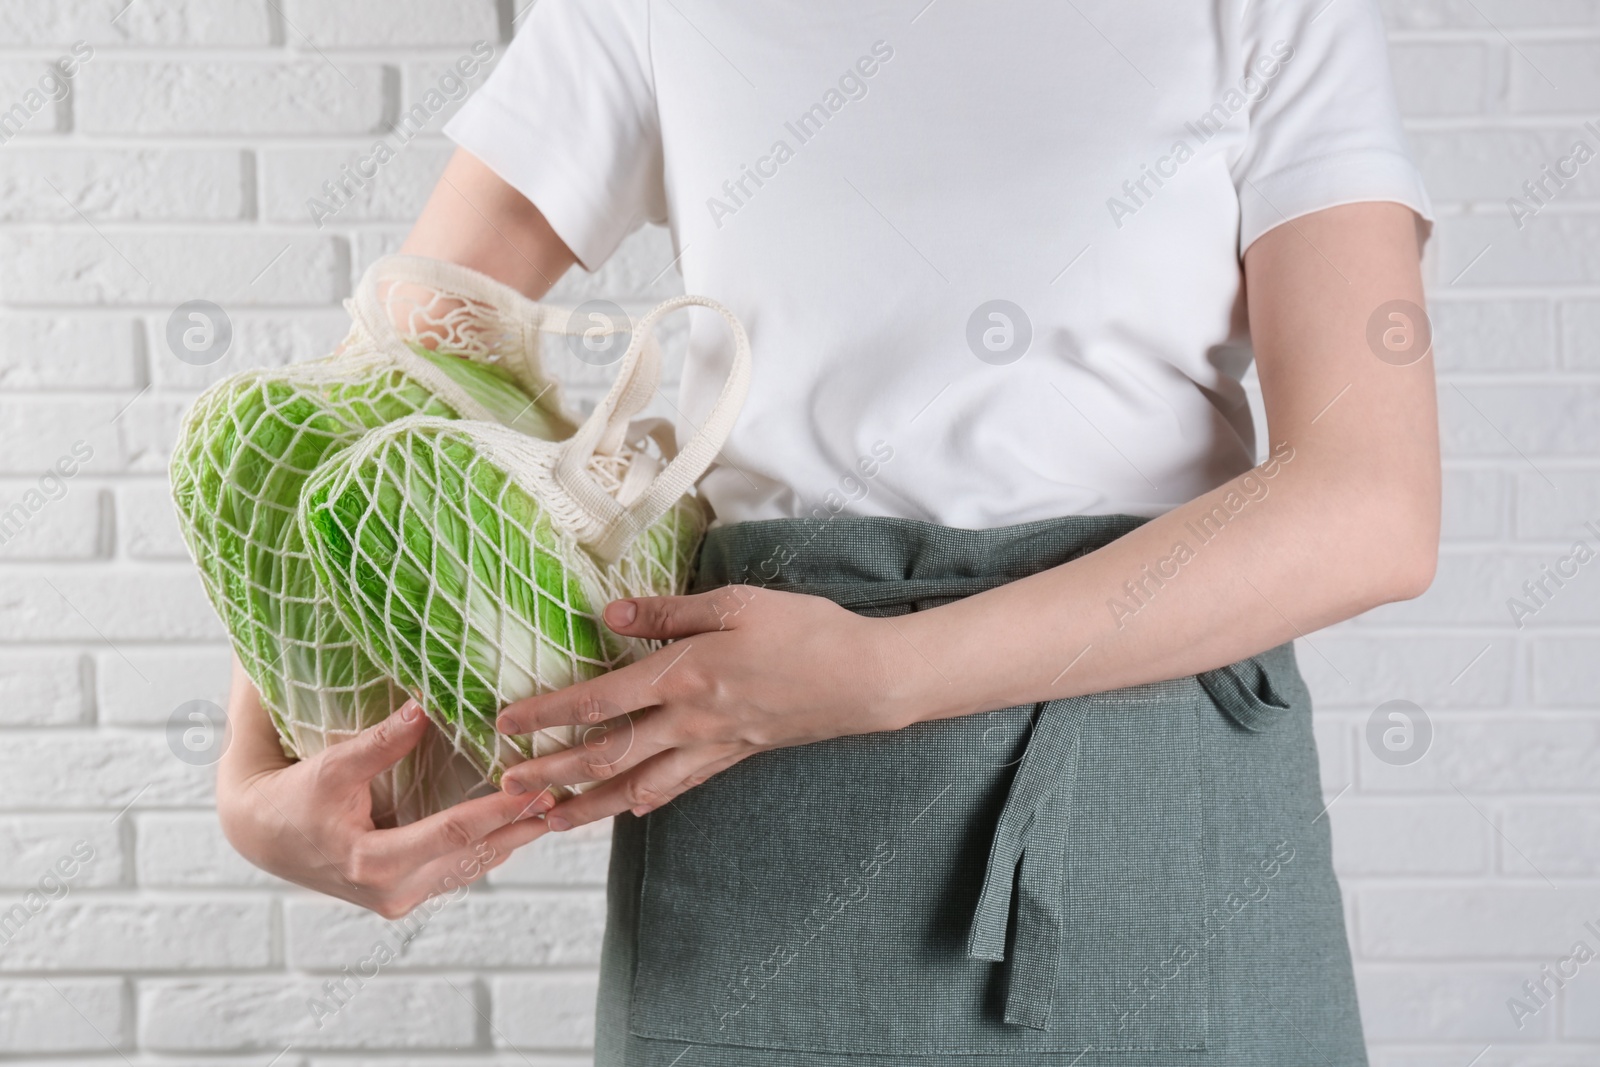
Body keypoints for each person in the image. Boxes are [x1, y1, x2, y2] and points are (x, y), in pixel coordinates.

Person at [216, 0, 1438, 1063]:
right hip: (764, 806)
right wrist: (255, 774)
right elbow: (391, 385)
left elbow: (1370, 505)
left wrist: (883, 672)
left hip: (1155, 820)